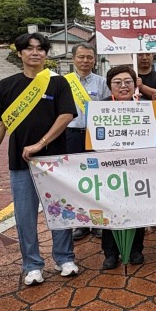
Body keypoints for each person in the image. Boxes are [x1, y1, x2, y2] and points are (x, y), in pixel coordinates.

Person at [0, 33, 78, 286]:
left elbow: (66, 115)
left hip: (54, 161)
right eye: (29, 48)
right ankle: (32, 265)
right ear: (20, 52)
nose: (35, 53)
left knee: (60, 211)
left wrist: (41, 143)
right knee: (24, 217)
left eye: (40, 49)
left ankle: (64, 258)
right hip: (20, 162)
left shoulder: (58, 83)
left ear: (46, 54)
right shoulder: (6, 86)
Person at [99, 65, 147, 269]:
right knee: (109, 207)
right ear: (109, 86)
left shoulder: (143, 106)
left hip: (137, 167)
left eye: (128, 82)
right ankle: (110, 252)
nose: (123, 86)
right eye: (117, 82)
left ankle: (136, 249)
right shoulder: (99, 107)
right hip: (108, 167)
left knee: (136, 207)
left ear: (135, 84)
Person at [66, 43, 111, 241]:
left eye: (89, 57)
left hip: (96, 136)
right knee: (76, 179)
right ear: (73, 59)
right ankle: (81, 223)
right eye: (81, 57)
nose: (85, 61)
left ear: (95, 60)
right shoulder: (64, 82)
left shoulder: (102, 83)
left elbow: (109, 108)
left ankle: (97, 221)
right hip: (72, 134)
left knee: (97, 179)